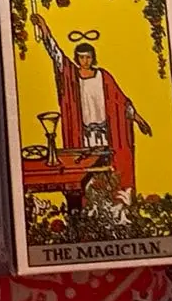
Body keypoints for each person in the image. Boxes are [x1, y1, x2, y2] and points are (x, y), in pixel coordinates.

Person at [30, 11, 151, 199]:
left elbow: (121, 103)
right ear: (77, 58)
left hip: (106, 137)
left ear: (93, 58)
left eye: (88, 57)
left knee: (109, 174)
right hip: (84, 138)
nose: (85, 61)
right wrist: (43, 27)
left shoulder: (104, 77)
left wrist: (139, 120)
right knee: (87, 177)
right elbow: (56, 54)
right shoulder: (71, 76)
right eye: (81, 57)